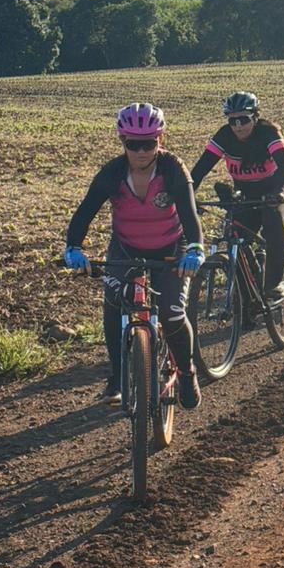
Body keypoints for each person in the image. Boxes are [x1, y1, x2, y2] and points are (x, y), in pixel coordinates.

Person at [63, 103, 204, 410]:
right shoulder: (112, 173)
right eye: (133, 144)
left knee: (170, 311)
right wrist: (73, 246)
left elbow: (190, 215)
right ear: (122, 141)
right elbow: (85, 212)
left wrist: (195, 248)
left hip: (170, 248)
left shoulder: (172, 169)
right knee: (114, 302)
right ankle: (116, 377)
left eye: (149, 143)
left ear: (161, 140)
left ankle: (186, 371)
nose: (142, 151)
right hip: (125, 248)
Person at [190, 91, 284, 300]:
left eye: (244, 119)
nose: (238, 126)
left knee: (272, 217)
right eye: (233, 121)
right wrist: (187, 195)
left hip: (283, 190)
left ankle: (275, 282)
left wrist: (277, 192)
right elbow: (200, 169)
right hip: (248, 195)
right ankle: (248, 300)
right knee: (236, 237)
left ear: (255, 117)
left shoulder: (268, 133)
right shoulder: (224, 136)